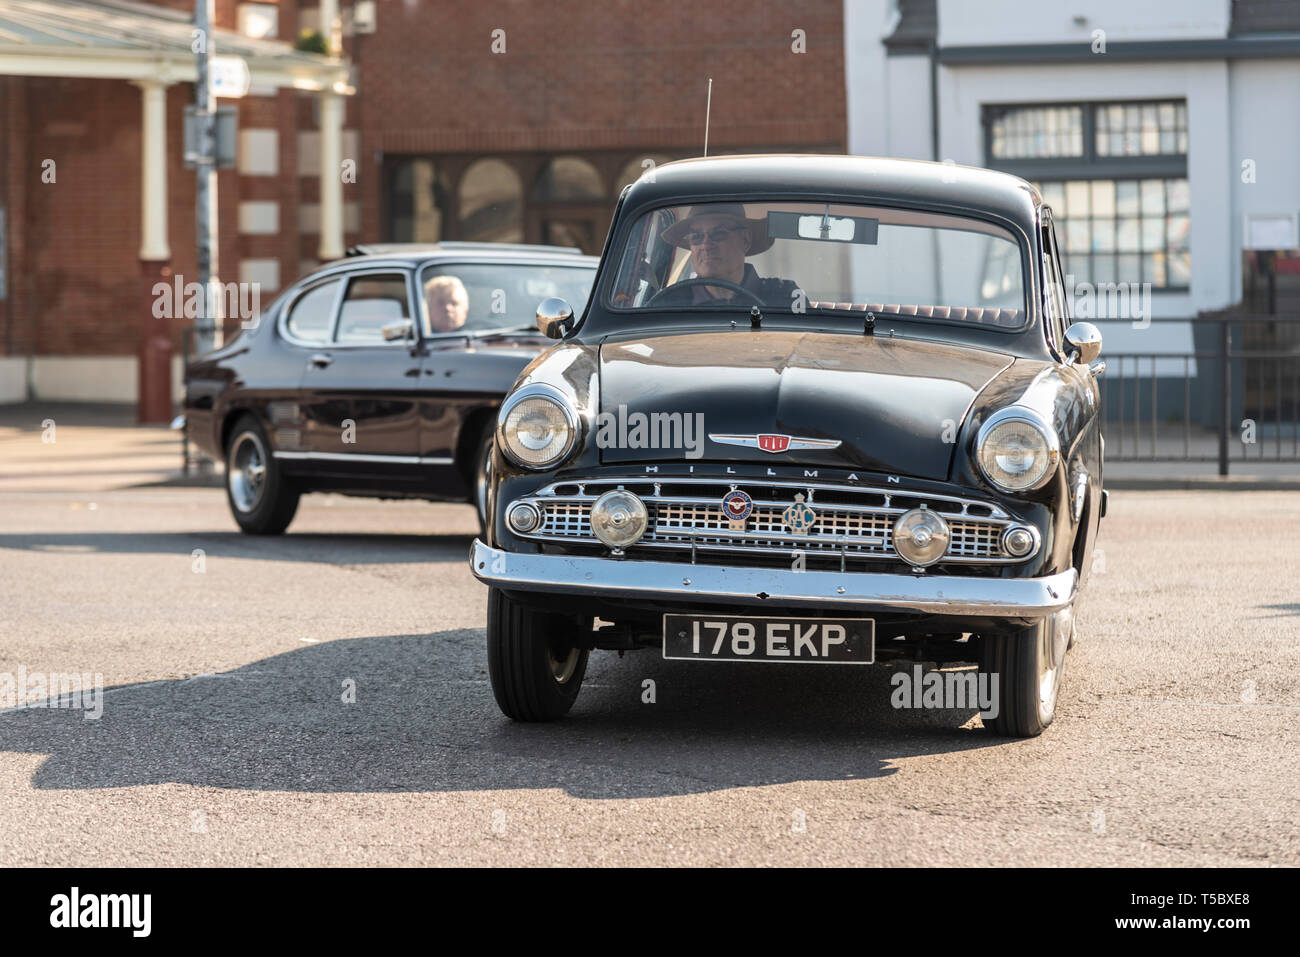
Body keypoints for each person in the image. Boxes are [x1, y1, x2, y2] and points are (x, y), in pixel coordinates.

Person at [657, 204, 797, 306]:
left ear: (745, 240)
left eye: (718, 234)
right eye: (696, 237)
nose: (706, 245)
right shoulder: (669, 302)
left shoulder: (785, 297)